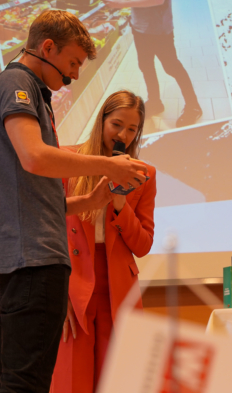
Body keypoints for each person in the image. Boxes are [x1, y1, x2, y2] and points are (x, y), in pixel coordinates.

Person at [0, 10, 147, 392]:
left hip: (22, 258)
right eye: (73, 63)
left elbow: (32, 196)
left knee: (16, 379)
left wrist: (90, 200)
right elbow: (35, 157)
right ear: (47, 47)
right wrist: (108, 165)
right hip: (31, 260)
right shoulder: (18, 83)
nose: (75, 75)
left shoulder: (29, 90)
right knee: (25, 383)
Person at [50, 90, 156, 393]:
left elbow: (143, 245)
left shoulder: (144, 174)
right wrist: (57, 293)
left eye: (132, 129)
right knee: (72, 378)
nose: (123, 135)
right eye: (117, 125)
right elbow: (49, 228)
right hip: (72, 281)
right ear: (101, 121)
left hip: (119, 286)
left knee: (118, 380)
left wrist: (121, 205)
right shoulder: (68, 161)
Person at [103, 0, 203, 127]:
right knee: (146, 66)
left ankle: (193, 106)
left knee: (172, 67)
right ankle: (155, 102)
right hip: (139, 27)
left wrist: (123, 4)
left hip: (159, 29)